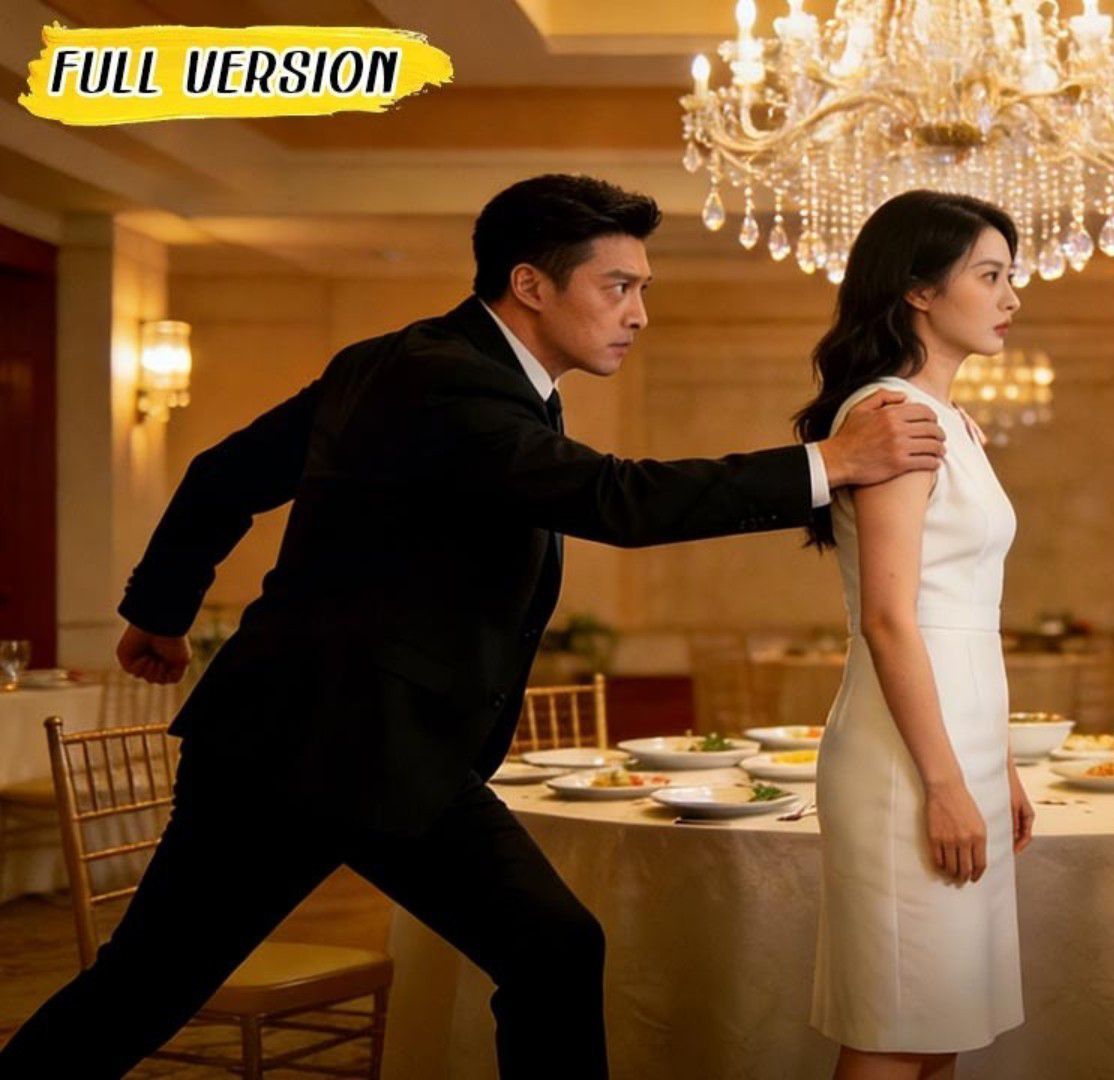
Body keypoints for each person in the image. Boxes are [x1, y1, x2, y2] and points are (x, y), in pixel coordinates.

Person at [0, 174, 944, 1079]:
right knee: (153, 987)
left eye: (643, 289)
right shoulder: (441, 380)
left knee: (543, 949)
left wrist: (160, 613)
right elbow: (613, 499)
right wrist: (826, 463)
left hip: (358, 746)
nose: (638, 314)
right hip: (318, 743)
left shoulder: (412, 363)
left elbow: (221, 476)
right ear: (530, 284)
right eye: (617, 287)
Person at [795, 190, 1033, 1080]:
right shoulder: (894, 415)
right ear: (920, 290)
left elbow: (968, 612)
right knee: (897, 1030)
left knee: (940, 1028)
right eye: (990, 275)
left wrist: (997, 766)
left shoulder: (956, 420)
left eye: (1011, 276)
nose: (1011, 296)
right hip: (904, 759)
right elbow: (892, 618)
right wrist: (943, 782)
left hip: (956, 741)